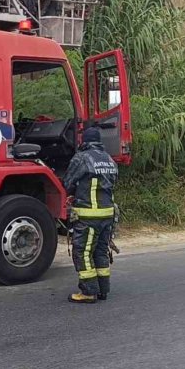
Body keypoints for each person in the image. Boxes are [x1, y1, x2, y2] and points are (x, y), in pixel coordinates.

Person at [63, 126, 119, 304]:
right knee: (101, 251)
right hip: (107, 214)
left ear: (84, 141)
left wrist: (75, 191)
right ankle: (103, 289)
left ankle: (88, 292)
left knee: (83, 252)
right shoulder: (109, 159)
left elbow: (68, 182)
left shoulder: (82, 158)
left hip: (89, 215)